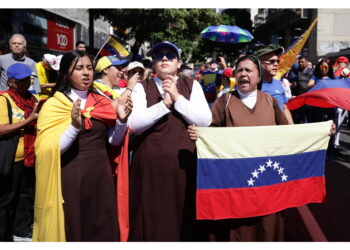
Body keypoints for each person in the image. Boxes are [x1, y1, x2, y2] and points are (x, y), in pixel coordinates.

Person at [33, 50, 133, 242]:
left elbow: (114, 142)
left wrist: (121, 121)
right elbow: (49, 149)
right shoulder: (54, 105)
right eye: (79, 68)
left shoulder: (102, 101)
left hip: (101, 174)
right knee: (75, 226)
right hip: (72, 175)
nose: (86, 73)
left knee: (102, 225)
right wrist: (74, 127)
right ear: (65, 74)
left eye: (89, 68)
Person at [188, 55, 289, 241]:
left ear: (258, 77)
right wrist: (199, 135)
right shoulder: (224, 101)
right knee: (238, 228)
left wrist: (321, 132)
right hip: (236, 182)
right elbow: (210, 132)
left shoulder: (269, 101)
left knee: (267, 225)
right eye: (239, 70)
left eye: (249, 70)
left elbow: (287, 134)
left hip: (266, 180)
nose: (243, 74)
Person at [127, 41, 212, 241]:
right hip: (149, 170)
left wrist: (177, 98)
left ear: (179, 63)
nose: (164, 59)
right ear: (154, 63)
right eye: (159, 56)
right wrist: (165, 104)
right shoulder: (143, 87)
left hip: (184, 168)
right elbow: (135, 124)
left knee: (183, 220)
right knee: (151, 220)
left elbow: (205, 120)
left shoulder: (191, 86)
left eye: (170, 55)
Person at [0, 63, 39, 241]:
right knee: (7, 199)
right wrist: (28, 120)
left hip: (29, 158)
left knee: (25, 196)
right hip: (11, 159)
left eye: (29, 79)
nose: (27, 83)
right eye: (23, 80)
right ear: (11, 82)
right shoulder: (3, 99)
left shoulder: (32, 99)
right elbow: (1, 129)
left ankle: (21, 230)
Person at [256, 45, 294, 124]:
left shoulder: (278, 83)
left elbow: (284, 107)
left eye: (277, 61)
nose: (276, 64)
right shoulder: (252, 86)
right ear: (259, 63)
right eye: (272, 61)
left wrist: (291, 126)